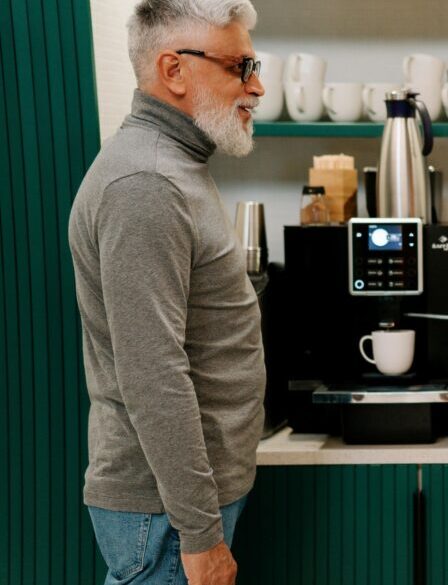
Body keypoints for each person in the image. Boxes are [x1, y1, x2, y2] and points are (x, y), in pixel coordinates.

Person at [68, 1, 266, 583]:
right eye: (240, 66)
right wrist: (200, 533)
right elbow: (153, 373)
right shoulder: (147, 183)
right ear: (174, 70)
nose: (256, 87)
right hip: (167, 517)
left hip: (178, 506)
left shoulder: (176, 165)